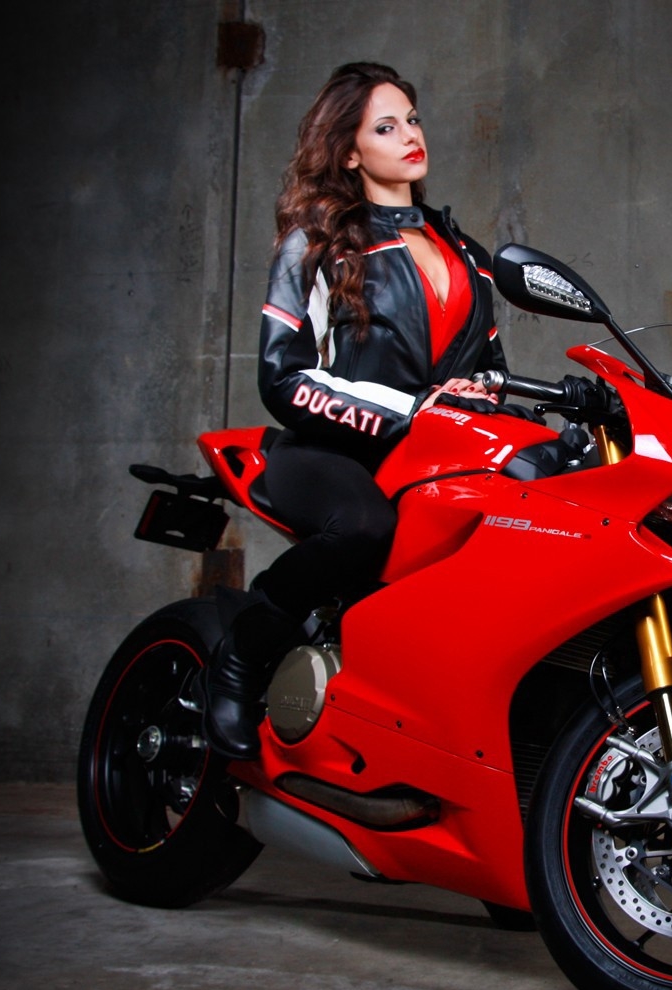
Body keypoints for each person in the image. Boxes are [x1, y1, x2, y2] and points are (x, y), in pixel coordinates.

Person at [205, 61, 510, 759]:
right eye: (385, 126)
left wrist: (481, 397)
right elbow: (282, 375)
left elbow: (489, 367)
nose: (410, 135)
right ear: (349, 151)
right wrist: (410, 411)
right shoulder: (318, 245)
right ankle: (239, 657)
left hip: (435, 458)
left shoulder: (468, 256)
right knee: (365, 528)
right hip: (332, 451)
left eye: (413, 119)